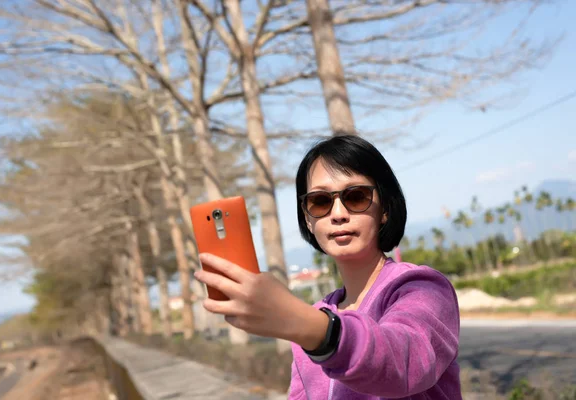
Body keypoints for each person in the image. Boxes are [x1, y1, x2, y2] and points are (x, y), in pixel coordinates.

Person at [194, 135, 462, 399]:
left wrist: (312, 328)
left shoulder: (422, 288)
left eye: (356, 197)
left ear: (385, 209)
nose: (338, 214)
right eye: (320, 202)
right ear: (308, 220)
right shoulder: (315, 316)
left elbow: (406, 361)